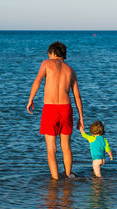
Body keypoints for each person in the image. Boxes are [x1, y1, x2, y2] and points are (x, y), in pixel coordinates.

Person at [27, 41, 84, 179]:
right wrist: (81, 118)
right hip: (66, 109)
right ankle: (68, 176)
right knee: (66, 146)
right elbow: (77, 95)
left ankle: (55, 180)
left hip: (50, 109)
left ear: (52, 53)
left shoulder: (46, 63)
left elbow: (38, 80)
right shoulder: (70, 70)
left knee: (51, 149)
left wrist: (30, 99)